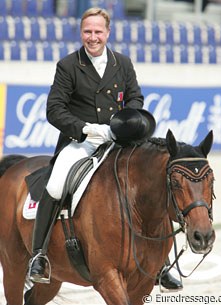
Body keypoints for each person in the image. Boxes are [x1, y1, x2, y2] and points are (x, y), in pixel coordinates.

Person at [28, 7, 182, 291]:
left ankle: (161, 264)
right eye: (88, 31)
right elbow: (54, 109)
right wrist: (85, 128)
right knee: (56, 183)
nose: (93, 37)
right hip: (81, 140)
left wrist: (123, 123)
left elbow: (135, 97)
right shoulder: (69, 65)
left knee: (154, 184)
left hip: (118, 139)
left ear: (108, 33)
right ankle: (38, 256)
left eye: (98, 31)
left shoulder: (122, 63)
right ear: (81, 33)